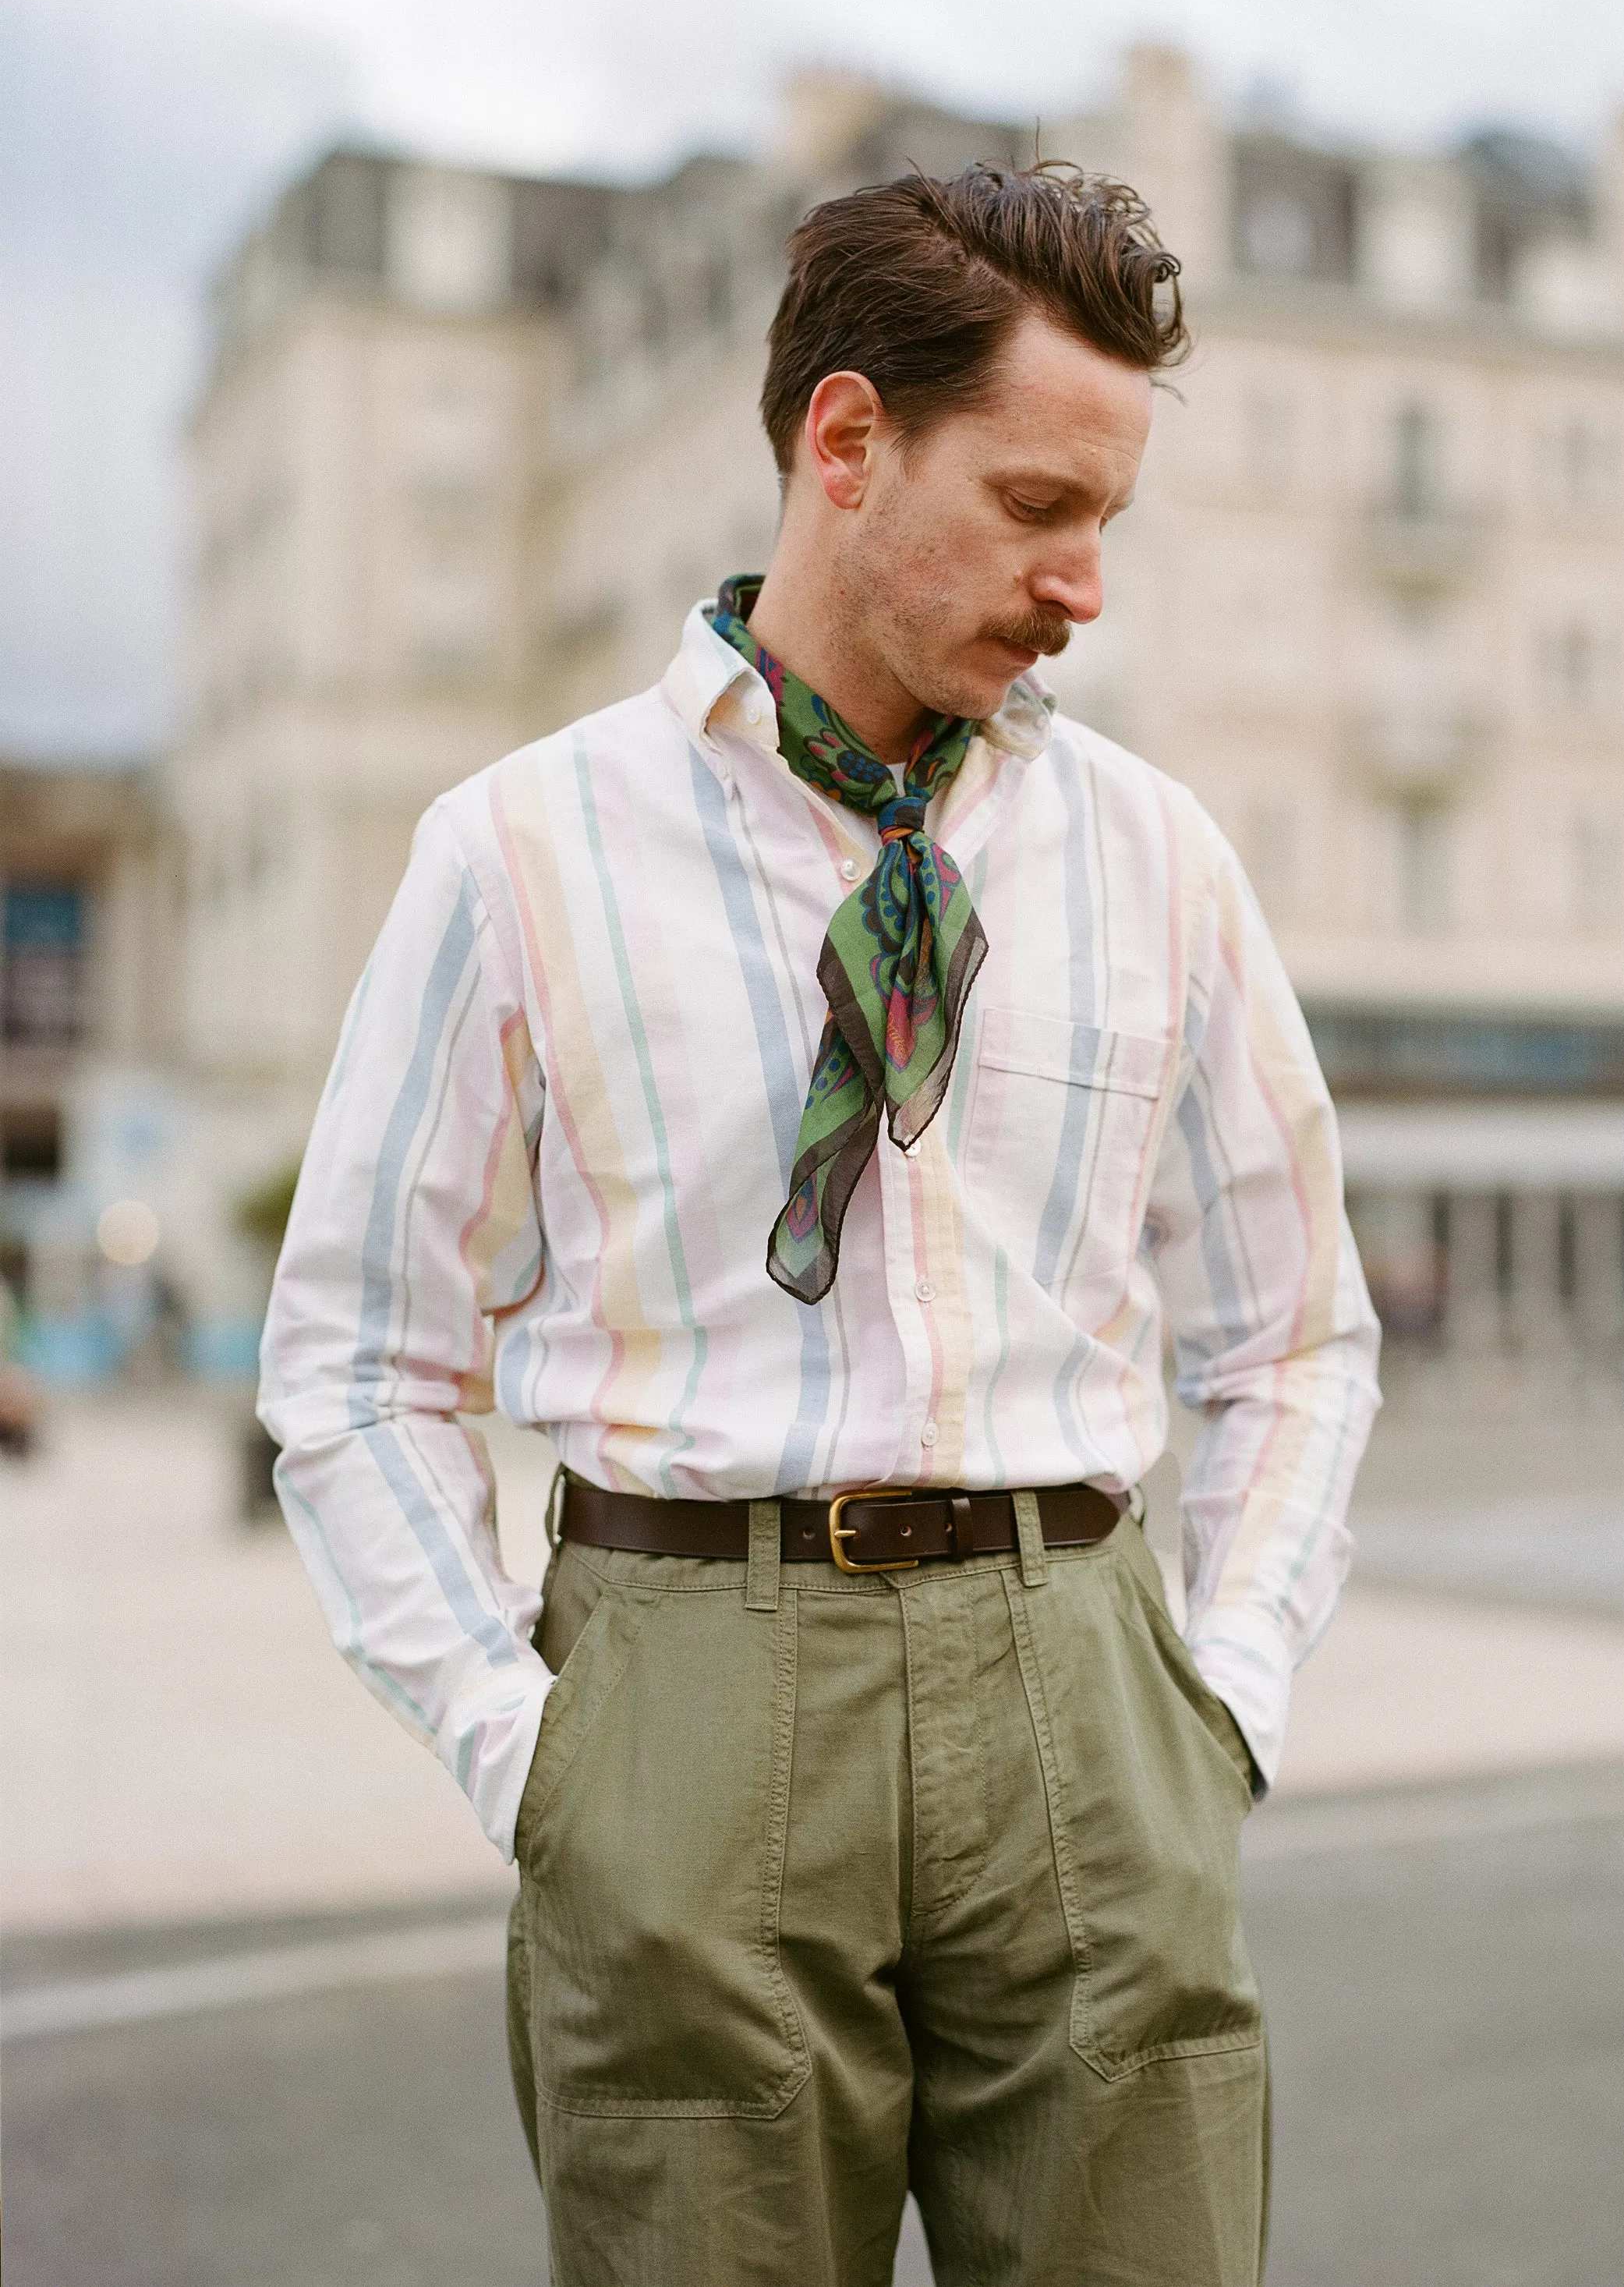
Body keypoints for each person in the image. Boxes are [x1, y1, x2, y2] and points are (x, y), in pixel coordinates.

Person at [260, 159, 1380, 2287]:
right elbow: (355, 1360)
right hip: (682, 1686)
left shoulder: (1156, 860)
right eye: (1042, 508)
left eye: (1109, 524)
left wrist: (1215, 1696)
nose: (1085, 589)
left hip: (1082, 1685)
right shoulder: (518, 852)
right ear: (845, 440)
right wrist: (536, 1760)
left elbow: (1290, 1339)